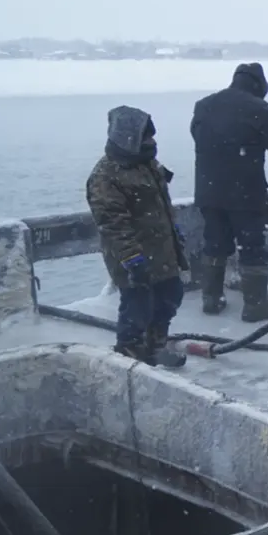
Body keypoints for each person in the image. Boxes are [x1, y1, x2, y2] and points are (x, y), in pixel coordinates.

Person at [191, 62, 268, 322]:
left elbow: (198, 137)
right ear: (259, 86)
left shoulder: (203, 105)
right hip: (244, 193)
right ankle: (254, 306)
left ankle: (211, 298)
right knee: (252, 246)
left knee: (215, 243)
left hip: (208, 190)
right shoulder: (259, 109)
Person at [86, 106, 188, 368]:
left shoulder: (148, 164)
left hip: (162, 249)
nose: (152, 142)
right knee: (137, 309)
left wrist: (175, 235)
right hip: (134, 256)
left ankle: (155, 349)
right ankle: (129, 359)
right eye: (146, 137)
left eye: (152, 136)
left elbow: (162, 205)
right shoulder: (105, 176)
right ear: (127, 138)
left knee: (169, 297)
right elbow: (112, 224)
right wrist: (133, 259)